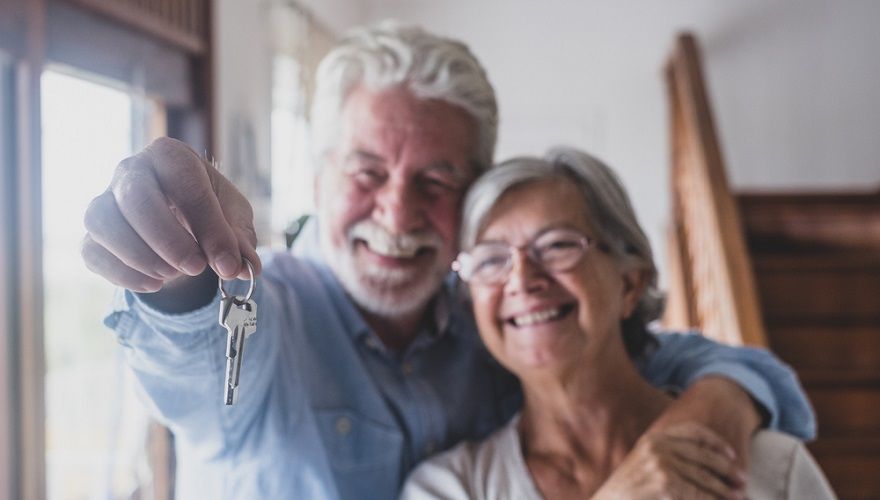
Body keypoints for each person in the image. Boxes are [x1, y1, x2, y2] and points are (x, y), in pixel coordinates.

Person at [82, 22, 815, 499]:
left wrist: (720, 409)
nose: (397, 213)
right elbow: (196, 367)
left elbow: (678, 358)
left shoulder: (502, 314)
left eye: (436, 181)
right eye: (367, 171)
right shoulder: (268, 310)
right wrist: (181, 280)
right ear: (319, 176)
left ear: (474, 199)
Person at [402, 148, 834, 500]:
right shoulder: (449, 489)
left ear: (630, 283)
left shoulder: (770, 467)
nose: (523, 280)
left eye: (556, 246)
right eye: (492, 259)